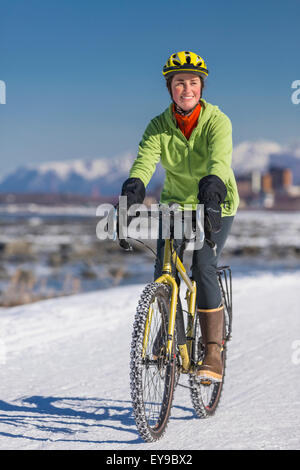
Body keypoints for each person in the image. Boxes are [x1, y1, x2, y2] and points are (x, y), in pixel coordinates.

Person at [118, 50, 239, 382]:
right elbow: (145, 162)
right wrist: (130, 196)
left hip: (216, 201)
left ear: (202, 87)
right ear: (169, 88)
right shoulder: (158, 126)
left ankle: (213, 350)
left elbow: (219, 163)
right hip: (176, 205)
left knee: (202, 266)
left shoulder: (218, 121)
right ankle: (172, 337)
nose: (187, 89)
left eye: (194, 82)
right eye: (179, 83)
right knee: (163, 269)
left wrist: (212, 196)